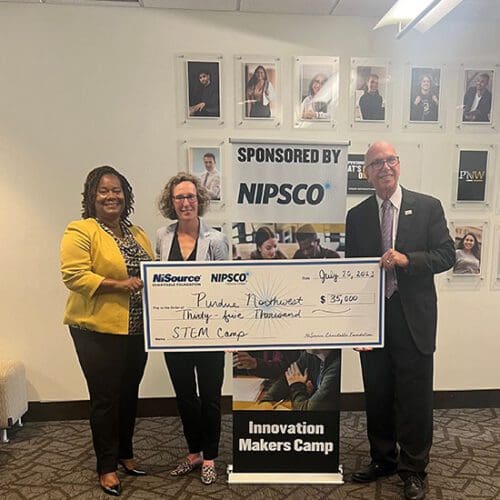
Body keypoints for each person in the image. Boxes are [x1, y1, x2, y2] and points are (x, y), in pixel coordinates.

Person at [345, 142, 455, 500]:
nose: (384, 167)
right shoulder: (357, 215)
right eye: (375, 163)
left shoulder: (427, 207)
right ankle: (383, 458)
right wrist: (354, 324)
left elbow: (446, 255)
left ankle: (414, 468)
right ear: (366, 173)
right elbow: (350, 273)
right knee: (377, 392)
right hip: (374, 319)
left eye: (389, 160)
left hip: (413, 317)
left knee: (414, 395)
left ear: (399, 164)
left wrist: (409, 260)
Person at [60, 166, 154, 497]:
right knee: (105, 399)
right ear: (92, 197)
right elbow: (73, 275)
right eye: (103, 191)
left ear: (125, 195)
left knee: (129, 395)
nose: (111, 196)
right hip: (96, 330)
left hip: (137, 330)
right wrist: (119, 284)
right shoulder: (81, 230)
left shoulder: (136, 232)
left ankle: (126, 454)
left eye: (117, 190)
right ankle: (106, 467)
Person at [156, 172, 229, 485]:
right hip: (175, 334)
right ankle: (194, 451)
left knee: (211, 396)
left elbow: (226, 287)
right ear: (171, 203)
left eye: (190, 197)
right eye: (179, 198)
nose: (185, 203)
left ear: (200, 200)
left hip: (210, 332)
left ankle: (210, 455)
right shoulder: (162, 236)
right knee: (185, 396)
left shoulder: (216, 239)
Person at [260, 349, 341, 411]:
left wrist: (296, 385)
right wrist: (267, 399)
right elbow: (288, 377)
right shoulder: (310, 354)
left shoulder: (338, 365)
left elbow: (307, 410)